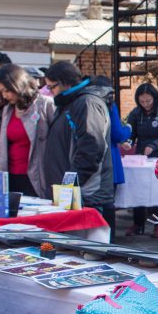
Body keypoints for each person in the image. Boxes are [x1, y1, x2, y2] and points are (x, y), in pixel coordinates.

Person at [42, 61, 115, 230]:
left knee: (89, 249)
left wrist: (70, 185)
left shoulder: (86, 103)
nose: (50, 92)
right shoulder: (70, 102)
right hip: (72, 190)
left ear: (64, 83)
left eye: (51, 87)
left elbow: (91, 148)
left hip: (87, 192)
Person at [0, 64, 56, 197]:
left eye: (6, 90)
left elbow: (58, 143)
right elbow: (2, 146)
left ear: (17, 85)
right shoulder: (8, 109)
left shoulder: (46, 104)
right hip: (10, 177)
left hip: (37, 177)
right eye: (1, 91)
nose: (4, 96)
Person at [122, 81, 158, 235]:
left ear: (154, 98)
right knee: (138, 189)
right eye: (142, 102)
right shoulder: (135, 113)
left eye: (148, 101)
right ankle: (138, 223)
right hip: (141, 157)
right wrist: (128, 142)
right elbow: (131, 134)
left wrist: (154, 145)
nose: (146, 104)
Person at [92, 76, 132, 221]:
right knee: (107, 204)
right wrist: (128, 128)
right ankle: (109, 239)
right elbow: (117, 134)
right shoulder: (109, 104)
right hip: (109, 159)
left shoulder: (84, 103)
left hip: (90, 159)